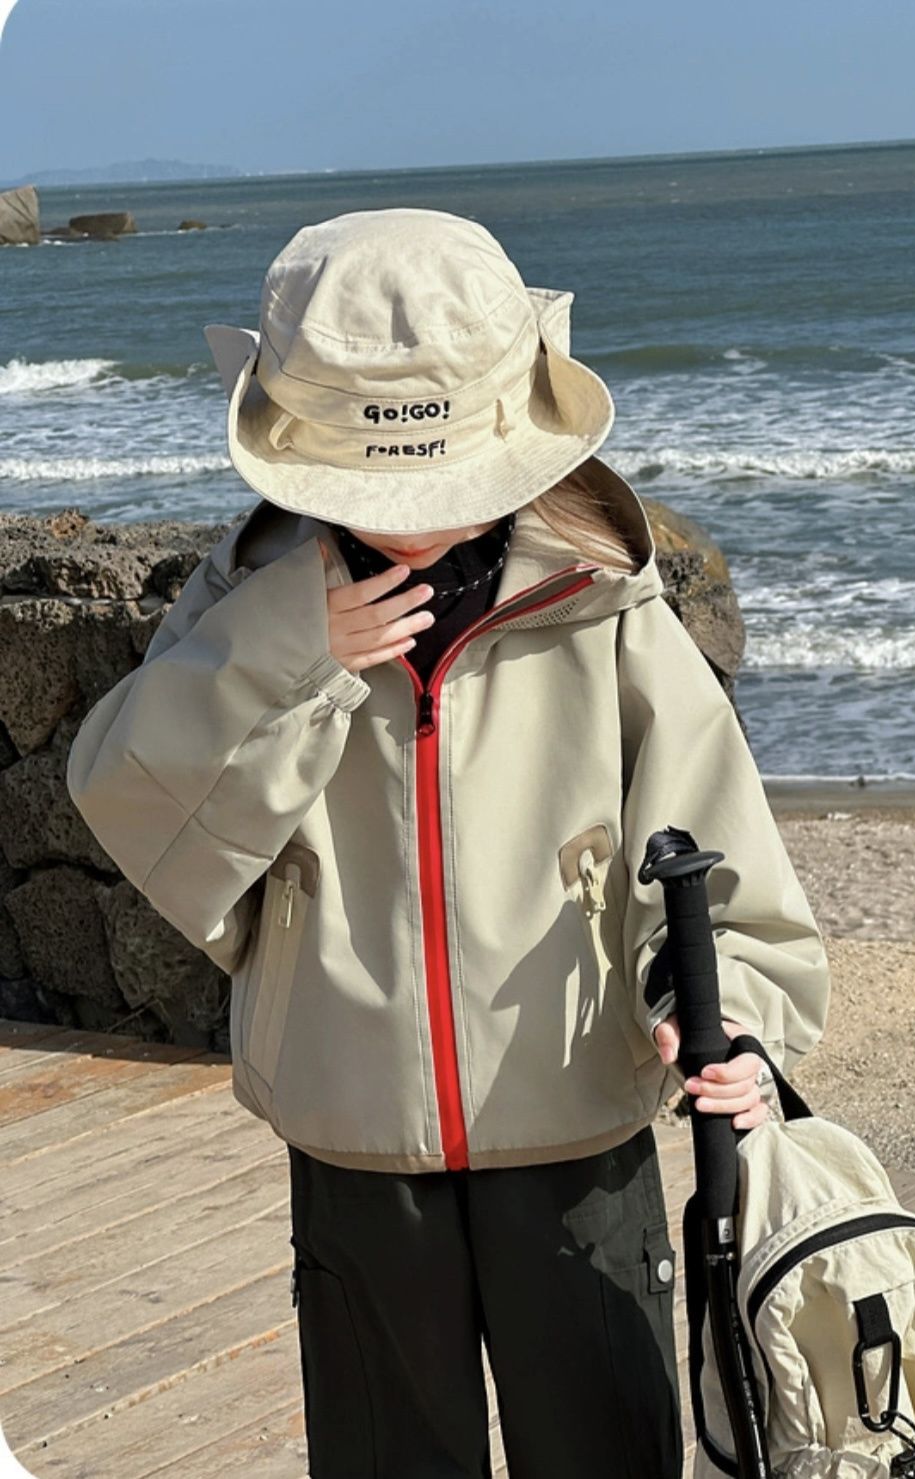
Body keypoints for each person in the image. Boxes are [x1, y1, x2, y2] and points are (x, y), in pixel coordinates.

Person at [65, 207, 831, 1479]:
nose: (412, 519)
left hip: (578, 1123)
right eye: (373, 484)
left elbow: (712, 850)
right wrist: (289, 649)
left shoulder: (600, 592)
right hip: (352, 1131)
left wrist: (727, 1014)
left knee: (604, 1451)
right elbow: (131, 793)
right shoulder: (251, 591)